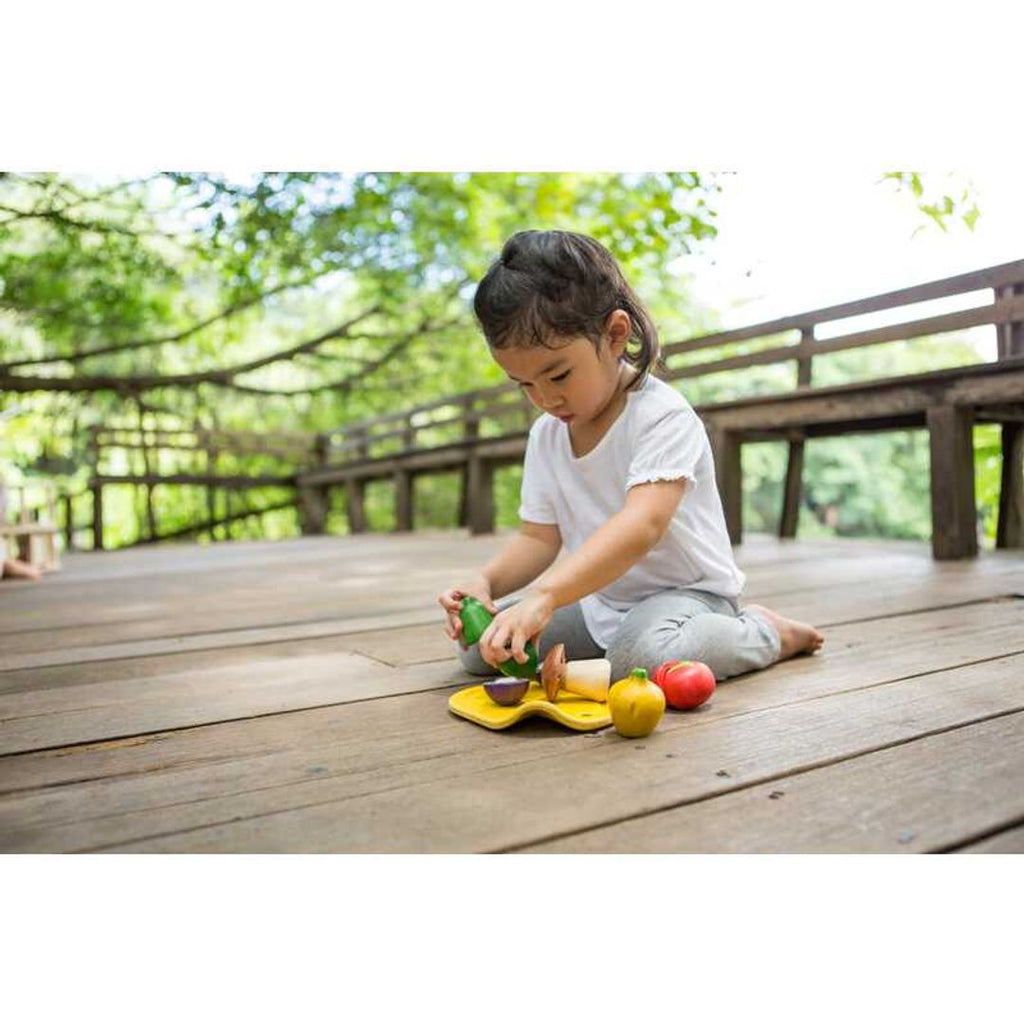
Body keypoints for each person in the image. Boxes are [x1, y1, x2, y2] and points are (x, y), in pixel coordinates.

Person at [437, 230, 823, 684]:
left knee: (637, 661)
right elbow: (538, 538)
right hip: (600, 598)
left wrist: (545, 595)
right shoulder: (547, 434)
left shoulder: (661, 416)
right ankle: (606, 640)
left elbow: (642, 526)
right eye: (524, 384)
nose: (544, 398)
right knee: (484, 652)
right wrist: (487, 584)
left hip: (688, 597)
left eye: (558, 374)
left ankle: (763, 632)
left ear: (615, 335)